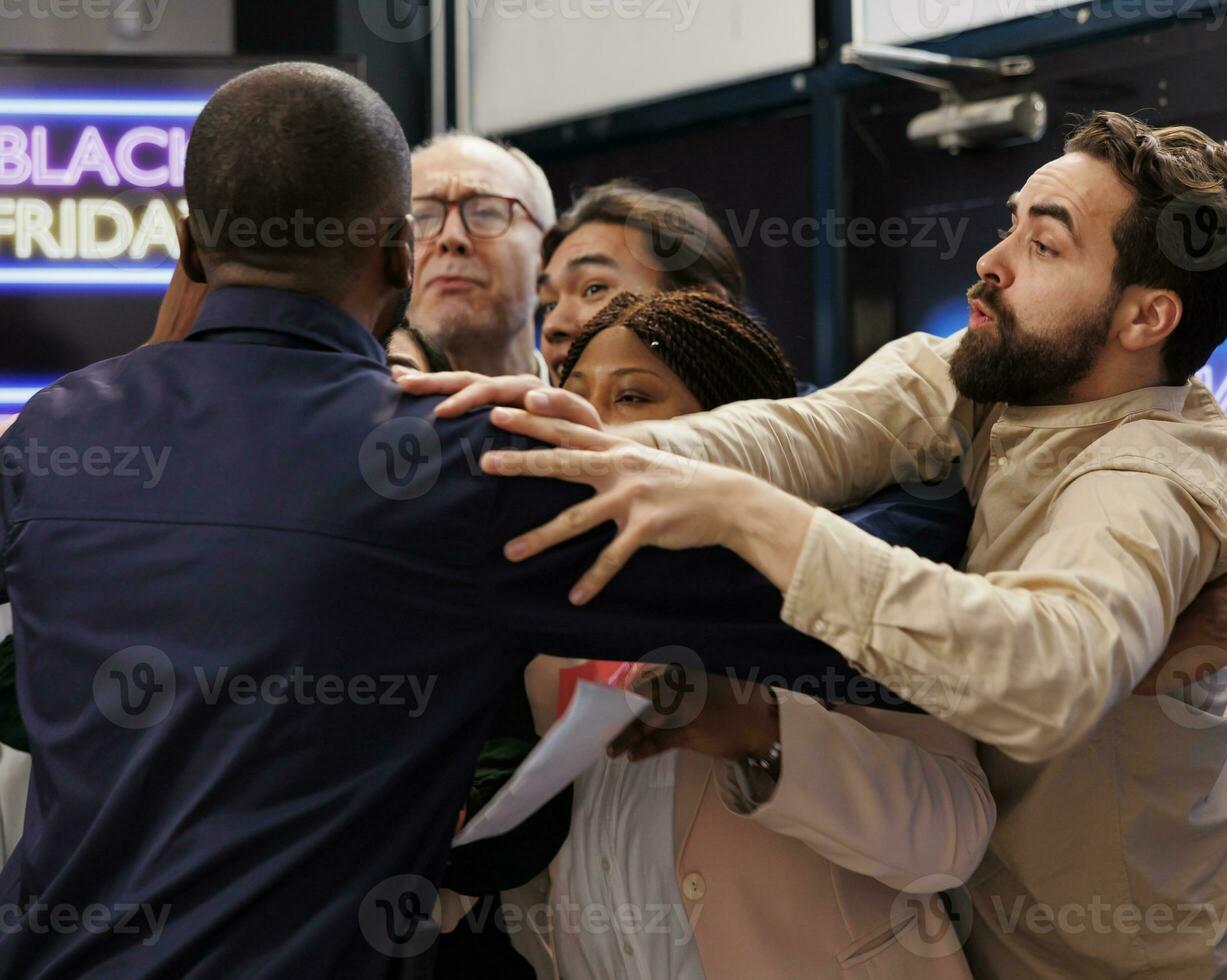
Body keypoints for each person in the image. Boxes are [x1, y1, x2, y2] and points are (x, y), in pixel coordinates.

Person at [0, 63, 876, 979]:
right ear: (399, 255)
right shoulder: (463, 465)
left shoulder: (55, 436)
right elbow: (821, 593)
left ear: (188, 246)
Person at [419, 111, 1227, 978]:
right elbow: (794, 436)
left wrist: (747, 516)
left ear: (1146, 319)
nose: (991, 261)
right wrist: (578, 455)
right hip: (981, 939)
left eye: (1044, 244)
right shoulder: (982, 371)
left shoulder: (1159, 471)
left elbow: (1046, 671)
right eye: (1010, 223)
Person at [505, 290, 989, 980]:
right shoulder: (547, 640)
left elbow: (954, 835)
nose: (598, 426)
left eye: (634, 397)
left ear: (739, 428)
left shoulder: (836, 590)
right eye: (575, 396)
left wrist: (760, 731)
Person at [536, 180, 747, 379]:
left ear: (708, 310)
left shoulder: (775, 416)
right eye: (549, 305)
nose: (552, 326)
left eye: (594, 289)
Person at [409, 133, 556, 380]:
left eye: (486, 213)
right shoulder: (347, 415)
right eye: (423, 217)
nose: (451, 237)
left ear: (547, 253)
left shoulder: (607, 411)